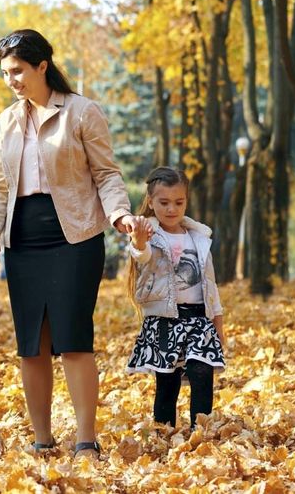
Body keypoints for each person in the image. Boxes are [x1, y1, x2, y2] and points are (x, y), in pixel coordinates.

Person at [0, 29, 138, 459]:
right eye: (6, 73)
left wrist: (119, 214)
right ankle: (41, 439)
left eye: (19, 70)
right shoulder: (6, 122)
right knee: (32, 342)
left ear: (42, 66)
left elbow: (106, 174)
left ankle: (86, 439)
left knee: (73, 337)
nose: (12, 80)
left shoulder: (81, 111)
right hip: (22, 242)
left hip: (75, 237)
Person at [124, 166, 226, 429]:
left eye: (178, 202)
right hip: (165, 320)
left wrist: (218, 323)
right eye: (164, 202)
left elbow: (210, 284)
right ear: (151, 202)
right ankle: (163, 431)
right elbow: (142, 257)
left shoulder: (199, 238)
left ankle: (200, 430)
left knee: (201, 371)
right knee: (167, 382)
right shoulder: (149, 236)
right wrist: (139, 242)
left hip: (198, 319)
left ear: (186, 202)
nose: (171, 209)